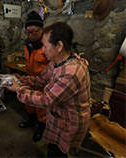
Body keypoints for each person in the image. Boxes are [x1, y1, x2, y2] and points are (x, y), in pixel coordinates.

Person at [5, 22, 91, 157]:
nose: (43, 50)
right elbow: (42, 80)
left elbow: (47, 100)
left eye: (45, 45)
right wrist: (21, 79)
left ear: (59, 46)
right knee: (53, 147)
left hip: (68, 122)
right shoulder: (56, 63)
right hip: (59, 117)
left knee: (59, 152)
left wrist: (19, 90)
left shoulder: (72, 72)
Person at [19, 10, 50, 142]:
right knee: (29, 104)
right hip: (30, 79)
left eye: (33, 31)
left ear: (41, 30)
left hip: (43, 83)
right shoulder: (27, 44)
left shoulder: (47, 46)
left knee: (41, 109)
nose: (30, 35)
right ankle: (31, 122)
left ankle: (40, 128)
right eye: (27, 32)